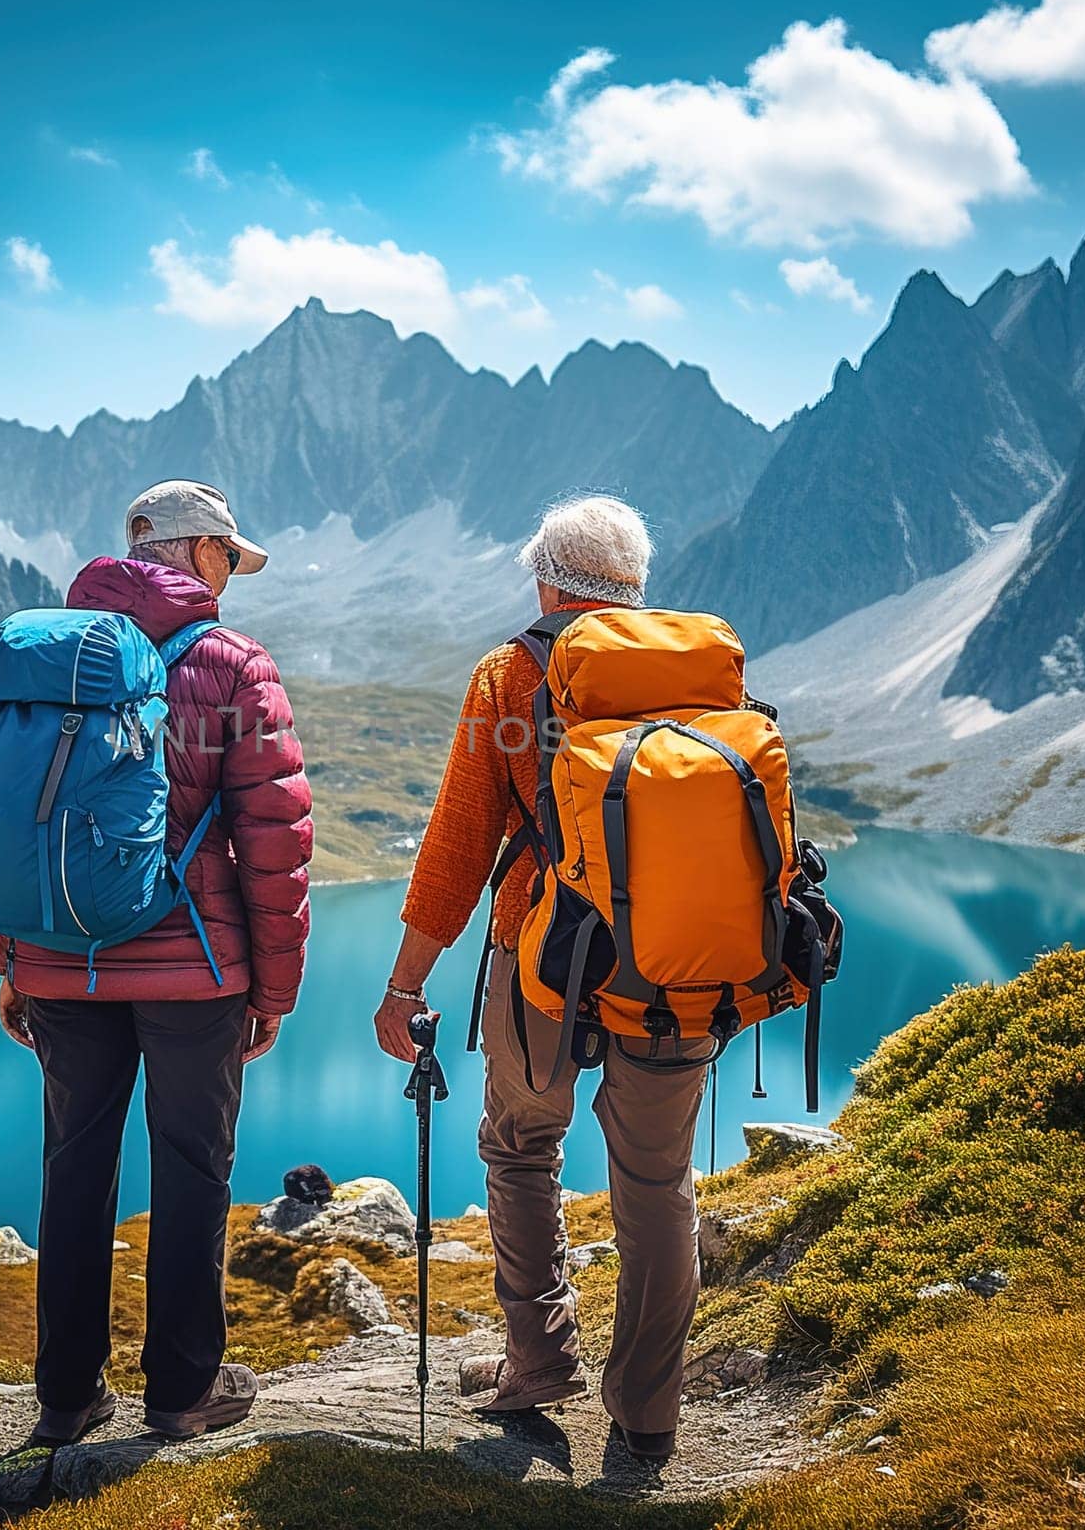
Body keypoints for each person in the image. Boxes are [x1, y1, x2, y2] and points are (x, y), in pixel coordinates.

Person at [372, 495, 712, 1462]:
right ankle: (647, 1413)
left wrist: (404, 987)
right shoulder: (698, 669)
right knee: (658, 1182)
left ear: (546, 579)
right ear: (636, 585)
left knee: (522, 1148)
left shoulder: (510, 672)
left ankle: (541, 1363)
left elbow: (456, 848)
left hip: (543, 961)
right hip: (679, 961)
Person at [0, 480, 313, 1446]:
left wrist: (12, 960)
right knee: (191, 1171)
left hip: (59, 960)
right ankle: (180, 1393)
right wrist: (276, 990)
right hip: (195, 970)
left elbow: (9, 819)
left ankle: (65, 1397)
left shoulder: (47, 652)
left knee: (74, 1165)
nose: (231, 576)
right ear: (198, 552)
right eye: (228, 557)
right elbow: (274, 840)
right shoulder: (231, 664)